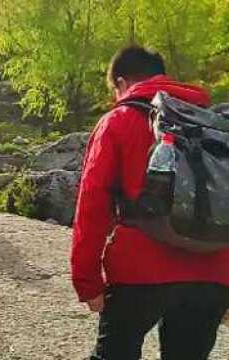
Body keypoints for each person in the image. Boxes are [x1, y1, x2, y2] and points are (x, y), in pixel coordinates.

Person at [71, 45, 229, 360]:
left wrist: (87, 281)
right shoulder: (214, 126)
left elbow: (93, 204)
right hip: (211, 273)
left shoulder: (118, 120)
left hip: (137, 271)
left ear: (121, 83)